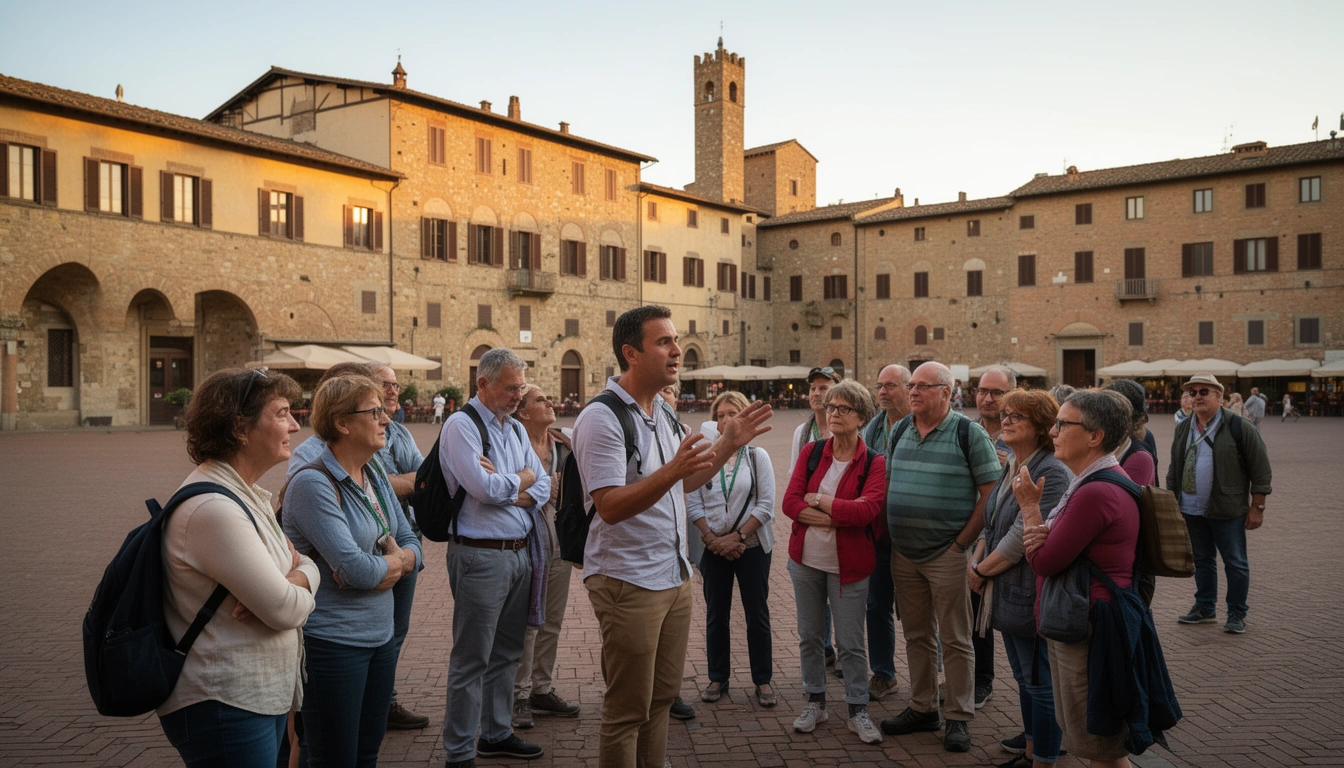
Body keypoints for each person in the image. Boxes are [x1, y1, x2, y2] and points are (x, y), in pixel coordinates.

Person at [573, 305, 771, 768]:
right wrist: (672, 470)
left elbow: (685, 481)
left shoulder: (661, 409)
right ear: (631, 353)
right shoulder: (601, 418)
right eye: (664, 342)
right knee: (627, 710)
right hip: (628, 581)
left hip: (674, 575)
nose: (677, 350)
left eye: (675, 340)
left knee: (661, 700)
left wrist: (728, 444)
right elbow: (610, 506)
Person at [157, 368, 318, 767]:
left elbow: (303, 566)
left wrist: (296, 577)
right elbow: (283, 609)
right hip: (224, 702)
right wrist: (294, 582)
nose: (296, 426)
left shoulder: (245, 496)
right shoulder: (215, 509)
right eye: (282, 413)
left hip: (253, 697)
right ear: (240, 428)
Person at [283, 374, 423, 767]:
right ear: (342, 423)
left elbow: (412, 540)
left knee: (366, 751)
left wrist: (393, 563)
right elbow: (356, 570)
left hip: (379, 637)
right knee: (333, 756)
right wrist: (394, 562)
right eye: (375, 411)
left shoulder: (374, 472)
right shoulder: (313, 482)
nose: (386, 420)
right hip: (334, 643)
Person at [879, 362, 1000, 753]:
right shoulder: (900, 429)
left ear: (947, 392)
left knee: (955, 637)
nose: (912, 392)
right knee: (916, 634)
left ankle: (959, 717)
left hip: (946, 554)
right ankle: (923, 706)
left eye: (923, 386)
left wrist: (960, 544)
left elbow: (990, 494)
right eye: (911, 385)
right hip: (905, 554)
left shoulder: (969, 434)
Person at [1018, 390, 1143, 767]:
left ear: (1095, 436)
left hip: (1090, 626)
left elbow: (1043, 560)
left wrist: (1029, 510)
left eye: (1062, 424)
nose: (1053, 432)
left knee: (1100, 746)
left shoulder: (1095, 491)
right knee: (1090, 738)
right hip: (1086, 620)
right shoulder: (1089, 483)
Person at [439, 348, 549, 766]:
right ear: (482, 384)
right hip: (480, 557)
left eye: (522, 387)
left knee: (507, 654)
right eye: (511, 388)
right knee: (472, 659)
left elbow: (540, 486)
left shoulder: (515, 429)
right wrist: (519, 481)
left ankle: (496, 732)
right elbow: (481, 489)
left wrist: (514, 485)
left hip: (520, 554)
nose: (518, 395)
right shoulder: (460, 426)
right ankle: (460, 751)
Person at [969, 388, 1070, 768]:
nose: (1005, 420)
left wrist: (980, 570)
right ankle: (1032, 744)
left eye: (1017, 416)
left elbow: (1018, 538)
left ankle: (1043, 756)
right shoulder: (1012, 462)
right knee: (1024, 675)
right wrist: (977, 556)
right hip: (1007, 589)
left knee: (1039, 680)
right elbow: (992, 519)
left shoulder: (1051, 471)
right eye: (1006, 413)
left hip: (1030, 591)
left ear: (1042, 426)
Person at [783, 380, 887, 745]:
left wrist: (822, 503)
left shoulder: (874, 461)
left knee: (850, 642)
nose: (834, 414)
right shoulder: (813, 451)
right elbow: (790, 503)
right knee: (810, 637)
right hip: (806, 560)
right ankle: (816, 701)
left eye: (843, 408)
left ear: (861, 416)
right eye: (831, 407)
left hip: (850, 566)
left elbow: (868, 511)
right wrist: (840, 515)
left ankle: (857, 709)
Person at [688, 391, 778, 708]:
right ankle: (717, 676)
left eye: (733, 413)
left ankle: (763, 680)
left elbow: (766, 505)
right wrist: (711, 539)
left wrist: (738, 536)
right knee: (716, 615)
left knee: (757, 614)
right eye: (721, 414)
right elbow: (692, 500)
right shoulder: (706, 459)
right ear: (715, 421)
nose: (727, 419)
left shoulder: (757, 457)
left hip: (751, 546)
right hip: (713, 547)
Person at [1167, 374, 1273, 635]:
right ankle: (1205, 607)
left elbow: (1260, 469)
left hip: (1227, 508)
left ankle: (1237, 612)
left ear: (1219, 397)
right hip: (1191, 508)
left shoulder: (1239, 427)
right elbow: (1174, 469)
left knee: (1235, 562)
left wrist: (1257, 507)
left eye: (1204, 391)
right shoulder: (1183, 427)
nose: (1197, 396)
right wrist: (1172, 503)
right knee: (1202, 560)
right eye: (1192, 393)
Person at [510, 384, 582, 730]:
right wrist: (541, 491)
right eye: (540, 400)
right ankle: (519, 694)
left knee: (551, 621)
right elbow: (498, 492)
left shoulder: (564, 447)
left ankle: (542, 688)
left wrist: (562, 490)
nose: (549, 402)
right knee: (527, 624)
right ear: (523, 412)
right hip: (523, 546)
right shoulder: (510, 447)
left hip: (559, 545)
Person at [859, 363, 910, 702]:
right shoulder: (873, 430)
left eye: (890, 385)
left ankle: (931, 673)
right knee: (876, 606)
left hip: (912, 537)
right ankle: (883, 673)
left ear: (910, 388)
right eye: (879, 386)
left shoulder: (921, 428)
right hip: (877, 535)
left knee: (920, 608)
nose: (882, 392)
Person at [969, 366, 1018, 708]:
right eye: (983, 391)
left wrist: (1008, 468)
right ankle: (978, 679)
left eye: (996, 393)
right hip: (971, 533)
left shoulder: (1020, 434)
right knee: (972, 615)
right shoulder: (965, 431)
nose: (987, 398)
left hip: (1009, 537)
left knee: (1016, 618)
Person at [789, 365, 843, 668]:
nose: (817, 393)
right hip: (811, 520)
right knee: (816, 591)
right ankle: (824, 649)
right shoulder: (802, 432)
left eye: (824, 388)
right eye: (813, 388)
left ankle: (845, 648)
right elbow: (794, 485)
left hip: (842, 521)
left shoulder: (849, 428)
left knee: (843, 594)